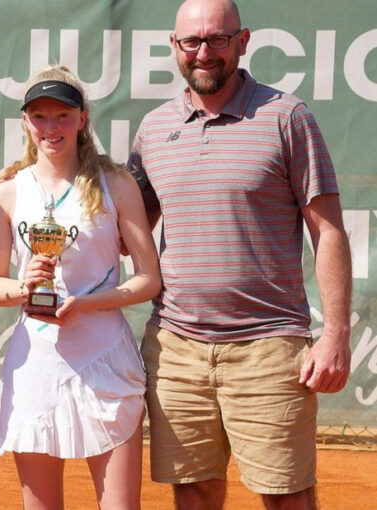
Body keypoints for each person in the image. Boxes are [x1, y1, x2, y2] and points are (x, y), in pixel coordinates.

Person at [127, 1, 352, 509]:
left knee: (286, 496)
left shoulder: (286, 117)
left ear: (243, 41)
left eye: (217, 40)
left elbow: (330, 232)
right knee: (196, 492)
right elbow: (129, 231)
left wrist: (335, 335)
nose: (203, 53)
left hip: (269, 349)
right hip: (176, 350)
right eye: (192, 42)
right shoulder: (154, 129)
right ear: (175, 47)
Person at [0, 65, 161, 510]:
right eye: (39, 115)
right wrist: (23, 289)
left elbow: (148, 278)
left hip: (106, 358)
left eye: (62, 114)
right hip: (36, 364)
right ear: (26, 122)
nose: (51, 126)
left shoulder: (115, 183)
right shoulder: (6, 191)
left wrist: (87, 304)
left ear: (83, 118)